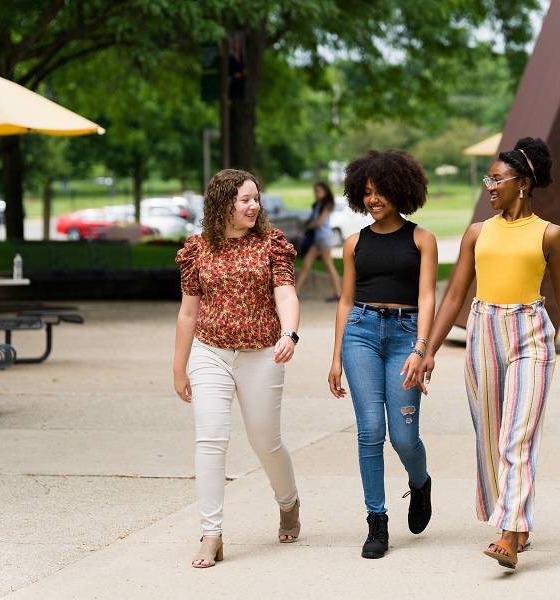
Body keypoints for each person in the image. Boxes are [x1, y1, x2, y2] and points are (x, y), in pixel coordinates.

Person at [412, 137, 560, 570]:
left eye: (497, 179)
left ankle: (509, 532)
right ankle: (514, 518)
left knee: (518, 436)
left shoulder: (551, 235)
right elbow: (455, 295)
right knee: (491, 435)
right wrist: (428, 350)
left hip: (530, 332)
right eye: (488, 179)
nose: (490, 186)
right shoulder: (478, 232)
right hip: (483, 331)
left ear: (523, 183)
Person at [173, 168, 302, 568]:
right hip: (209, 352)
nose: (253, 206)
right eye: (245, 199)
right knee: (210, 441)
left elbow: (285, 292)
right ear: (223, 203)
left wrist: (290, 334)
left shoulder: (271, 244)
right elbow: (188, 312)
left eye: (255, 198)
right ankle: (211, 534)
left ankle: (288, 501)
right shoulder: (197, 249)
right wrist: (179, 368)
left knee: (265, 441)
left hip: (263, 353)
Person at [327, 150, 438, 559]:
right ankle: (377, 521)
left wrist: (422, 349)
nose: (373, 200)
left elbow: (428, 297)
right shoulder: (354, 243)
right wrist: (336, 357)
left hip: (407, 335)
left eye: (381, 192)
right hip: (361, 334)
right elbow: (345, 300)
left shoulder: (421, 239)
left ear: (400, 190)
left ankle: (421, 482)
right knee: (370, 430)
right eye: (367, 193)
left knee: (404, 436)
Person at [297, 182, 343, 302]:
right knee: (306, 264)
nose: (316, 193)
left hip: (324, 239)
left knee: (329, 266)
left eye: (319, 191)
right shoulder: (318, 205)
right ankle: (295, 293)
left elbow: (319, 222)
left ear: (325, 191)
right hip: (319, 240)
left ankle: (338, 294)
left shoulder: (327, 205)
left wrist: (309, 226)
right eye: (315, 191)